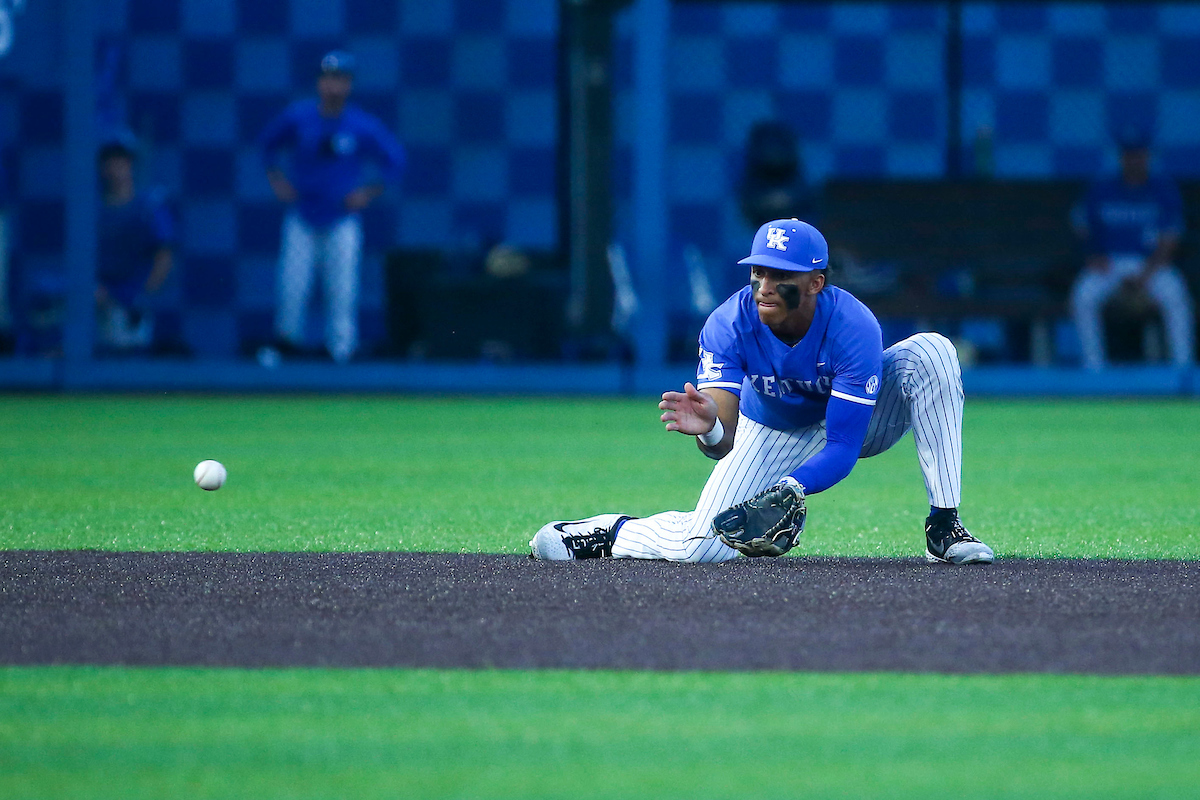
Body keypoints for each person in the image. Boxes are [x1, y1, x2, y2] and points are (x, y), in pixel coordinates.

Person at [530, 218, 994, 565]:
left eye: (780, 277)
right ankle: (606, 533)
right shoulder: (728, 325)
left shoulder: (853, 327)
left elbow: (844, 447)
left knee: (931, 352)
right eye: (758, 273)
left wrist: (790, 489)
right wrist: (710, 428)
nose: (764, 286)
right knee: (702, 549)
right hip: (773, 428)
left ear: (816, 283)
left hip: (859, 420)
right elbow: (723, 442)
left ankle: (944, 525)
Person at [258, 50, 405, 364]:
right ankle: (287, 343)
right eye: (328, 78)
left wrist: (369, 192)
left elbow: (395, 160)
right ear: (318, 82)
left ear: (349, 85)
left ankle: (341, 350)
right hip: (303, 215)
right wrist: (277, 180)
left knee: (342, 288)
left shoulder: (361, 124)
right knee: (292, 284)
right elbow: (267, 145)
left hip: (342, 218)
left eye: (340, 79)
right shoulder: (299, 117)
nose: (333, 86)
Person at [1069, 126, 1195, 370]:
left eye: (1139, 155)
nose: (1134, 160)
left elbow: (1170, 240)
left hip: (1151, 265)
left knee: (1176, 294)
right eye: (1129, 155)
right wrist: (1093, 255)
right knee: (1083, 296)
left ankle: (1183, 368)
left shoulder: (1162, 190)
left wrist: (1147, 274)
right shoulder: (1102, 188)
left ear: (1147, 157)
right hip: (1110, 264)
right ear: (1122, 158)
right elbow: (1082, 227)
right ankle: (1094, 369)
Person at [95, 141, 175, 354]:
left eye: (121, 161)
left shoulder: (148, 207)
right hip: (97, 302)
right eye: (110, 161)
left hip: (132, 304)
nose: (115, 167)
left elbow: (164, 256)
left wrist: (142, 296)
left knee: (131, 361)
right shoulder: (93, 209)